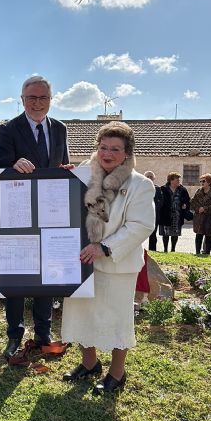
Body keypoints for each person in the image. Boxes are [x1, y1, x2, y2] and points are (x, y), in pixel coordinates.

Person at [61, 121, 155, 395]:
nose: (108, 154)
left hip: (116, 265)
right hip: (81, 261)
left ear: (127, 153)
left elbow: (141, 225)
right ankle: (89, 364)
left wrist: (104, 247)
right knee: (81, 314)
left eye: (115, 149)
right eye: (103, 147)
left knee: (116, 319)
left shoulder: (141, 185)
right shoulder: (82, 176)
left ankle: (117, 373)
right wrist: (63, 178)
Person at [0, 75, 71, 359]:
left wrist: (69, 170)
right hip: (18, 216)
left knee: (46, 276)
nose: (38, 103)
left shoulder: (60, 129)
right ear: (22, 99)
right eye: (32, 98)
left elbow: (61, 164)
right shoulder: (7, 129)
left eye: (43, 98)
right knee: (16, 276)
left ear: (50, 100)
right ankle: (14, 335)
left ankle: (43, 333)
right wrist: (13, 164)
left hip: (52, 216)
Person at [159, 172, 191, 253]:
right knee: (165, 233)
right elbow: (159, 201)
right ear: (171, 180)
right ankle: (165, 249)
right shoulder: (163, 189)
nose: (179, 181)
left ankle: (173, 249)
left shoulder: (182, 190)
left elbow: (187, 200)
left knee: (175, 233)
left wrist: (185, 205)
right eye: (177, 180)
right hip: (165, 214)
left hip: (177, 215)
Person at [190, 173, 211, 255]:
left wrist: (204, 208)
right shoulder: (198, 191)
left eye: (203, 181)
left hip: (210, 217)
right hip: (199, 217)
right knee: (199, 234)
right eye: (200, 181)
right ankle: (197, 252)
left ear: (209, 182)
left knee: (209, 235)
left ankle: (207, 253)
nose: (201, 183)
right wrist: (198, 209)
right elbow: (193, 202)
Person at [144, 171, 163, 251]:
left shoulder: (158, 189)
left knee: (153, 234)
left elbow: (161, 201)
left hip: (154, 215)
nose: (149, 178)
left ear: (154, 178)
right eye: (147, 176)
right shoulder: (140, 187)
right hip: (142, 215)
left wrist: (153, 208)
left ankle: (152, 250)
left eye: (151, 177)